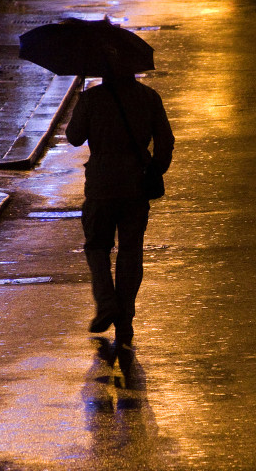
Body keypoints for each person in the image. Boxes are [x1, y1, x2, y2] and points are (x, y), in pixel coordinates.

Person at [66, 46, 174, 347]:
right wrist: (155, 170)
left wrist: (83, 104)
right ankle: (124, 318)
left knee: (97, 247)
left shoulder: (91, 99)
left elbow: (74, 137)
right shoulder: (149, 98)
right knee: (130, 251)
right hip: (135, 187)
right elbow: (166, 142)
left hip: (100, 187)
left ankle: (106, 303)